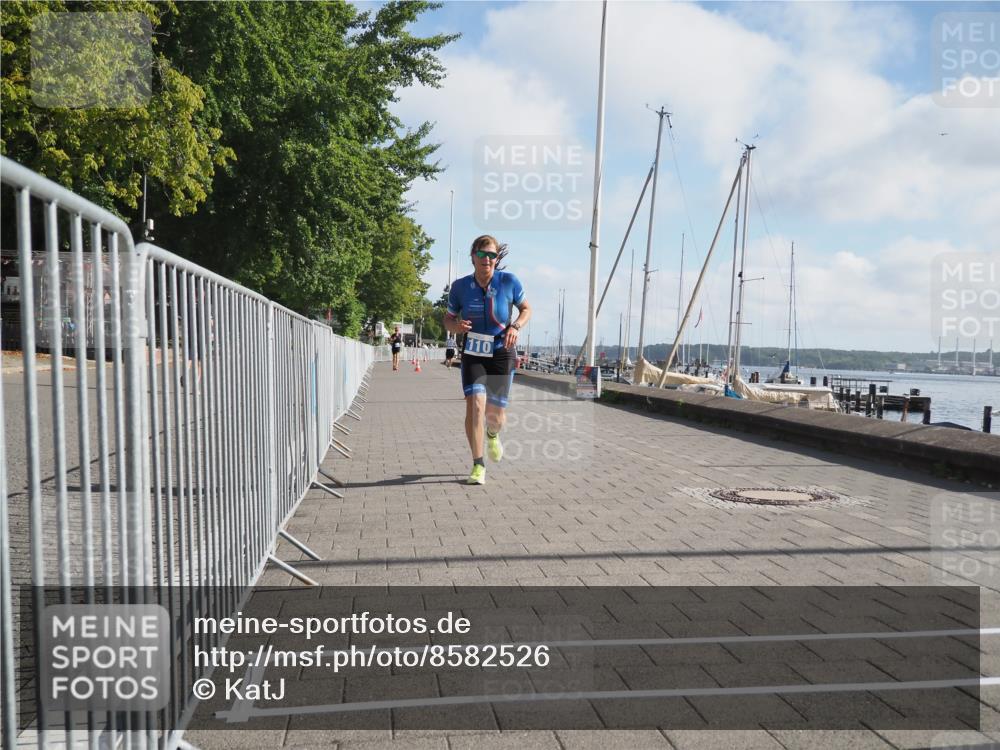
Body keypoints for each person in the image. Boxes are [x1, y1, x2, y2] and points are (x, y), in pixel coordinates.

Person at [443, 235, 531, 485]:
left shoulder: (509, 281)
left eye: (492, 255)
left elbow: (526, 309)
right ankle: (478, 464)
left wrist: (515, 326)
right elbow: (447, 319)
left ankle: (492, 434)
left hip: (502, 351)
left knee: (495, 416)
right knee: (475, 406)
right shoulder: (460, 287)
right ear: (473, 257)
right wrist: (456, 327)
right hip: (474, 352)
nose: (487, 260)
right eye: (482, 254)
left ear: (497, 258)